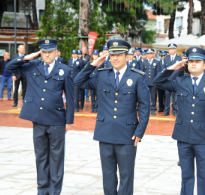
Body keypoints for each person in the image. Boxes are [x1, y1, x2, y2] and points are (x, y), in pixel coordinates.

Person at [74, 39, 150, 195]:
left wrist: (139, 131)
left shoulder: (137, 77)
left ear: (126, 56)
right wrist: (93, 64)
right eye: (112, 54)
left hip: (128, 134)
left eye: (119, 55)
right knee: (108, 176)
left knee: (126, 176)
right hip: (105, 132)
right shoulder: (102, 75)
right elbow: (78, 81)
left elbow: (144, 105)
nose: (115, 58)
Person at [6, 39, 74, 194]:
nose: (47, 55)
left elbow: (70, 97)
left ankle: (55, 190)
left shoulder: (64, 69)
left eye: (50, 51)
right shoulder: (32, 66)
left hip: (57, 120)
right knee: (41, 156)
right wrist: (27, 57)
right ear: (40, 52)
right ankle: (42, 190)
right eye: (44, 51)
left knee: (56, 157)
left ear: (56, 52)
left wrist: (69, 120)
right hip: (38, 119)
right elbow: (10, 67)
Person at [153, 47, 205, 195]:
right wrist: (174, 67)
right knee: (186, 175)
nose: (193, 64)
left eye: (197, 61)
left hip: (203, 138)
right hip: (183, 136)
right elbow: (157, 82)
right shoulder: (180, 81)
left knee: (204, 175)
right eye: (191, 61)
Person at [163, 43, 182, 116]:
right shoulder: (166, 58)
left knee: (175, 96)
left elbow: (179, 69)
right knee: (167, 96)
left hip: (176, 80)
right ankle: (167, 110)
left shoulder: (179, 58)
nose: (172, 50)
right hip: (167, 80)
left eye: (173, 49)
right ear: (169, 50)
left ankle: (175, 110)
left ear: (176, 50)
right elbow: (165, 69)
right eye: (170, 49)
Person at [141, 48, 159, 115]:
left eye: (151, 54)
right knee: (146, 96)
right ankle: (147, 109)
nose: (149, 55)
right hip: (146, 82)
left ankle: (153, 109)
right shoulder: (144, 62)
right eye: (148, 54)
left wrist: (156, 82)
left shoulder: (156, 62)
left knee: (153, 96)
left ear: (153, 54)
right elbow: (142, 73)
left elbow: (157, 73)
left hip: (153, 82)